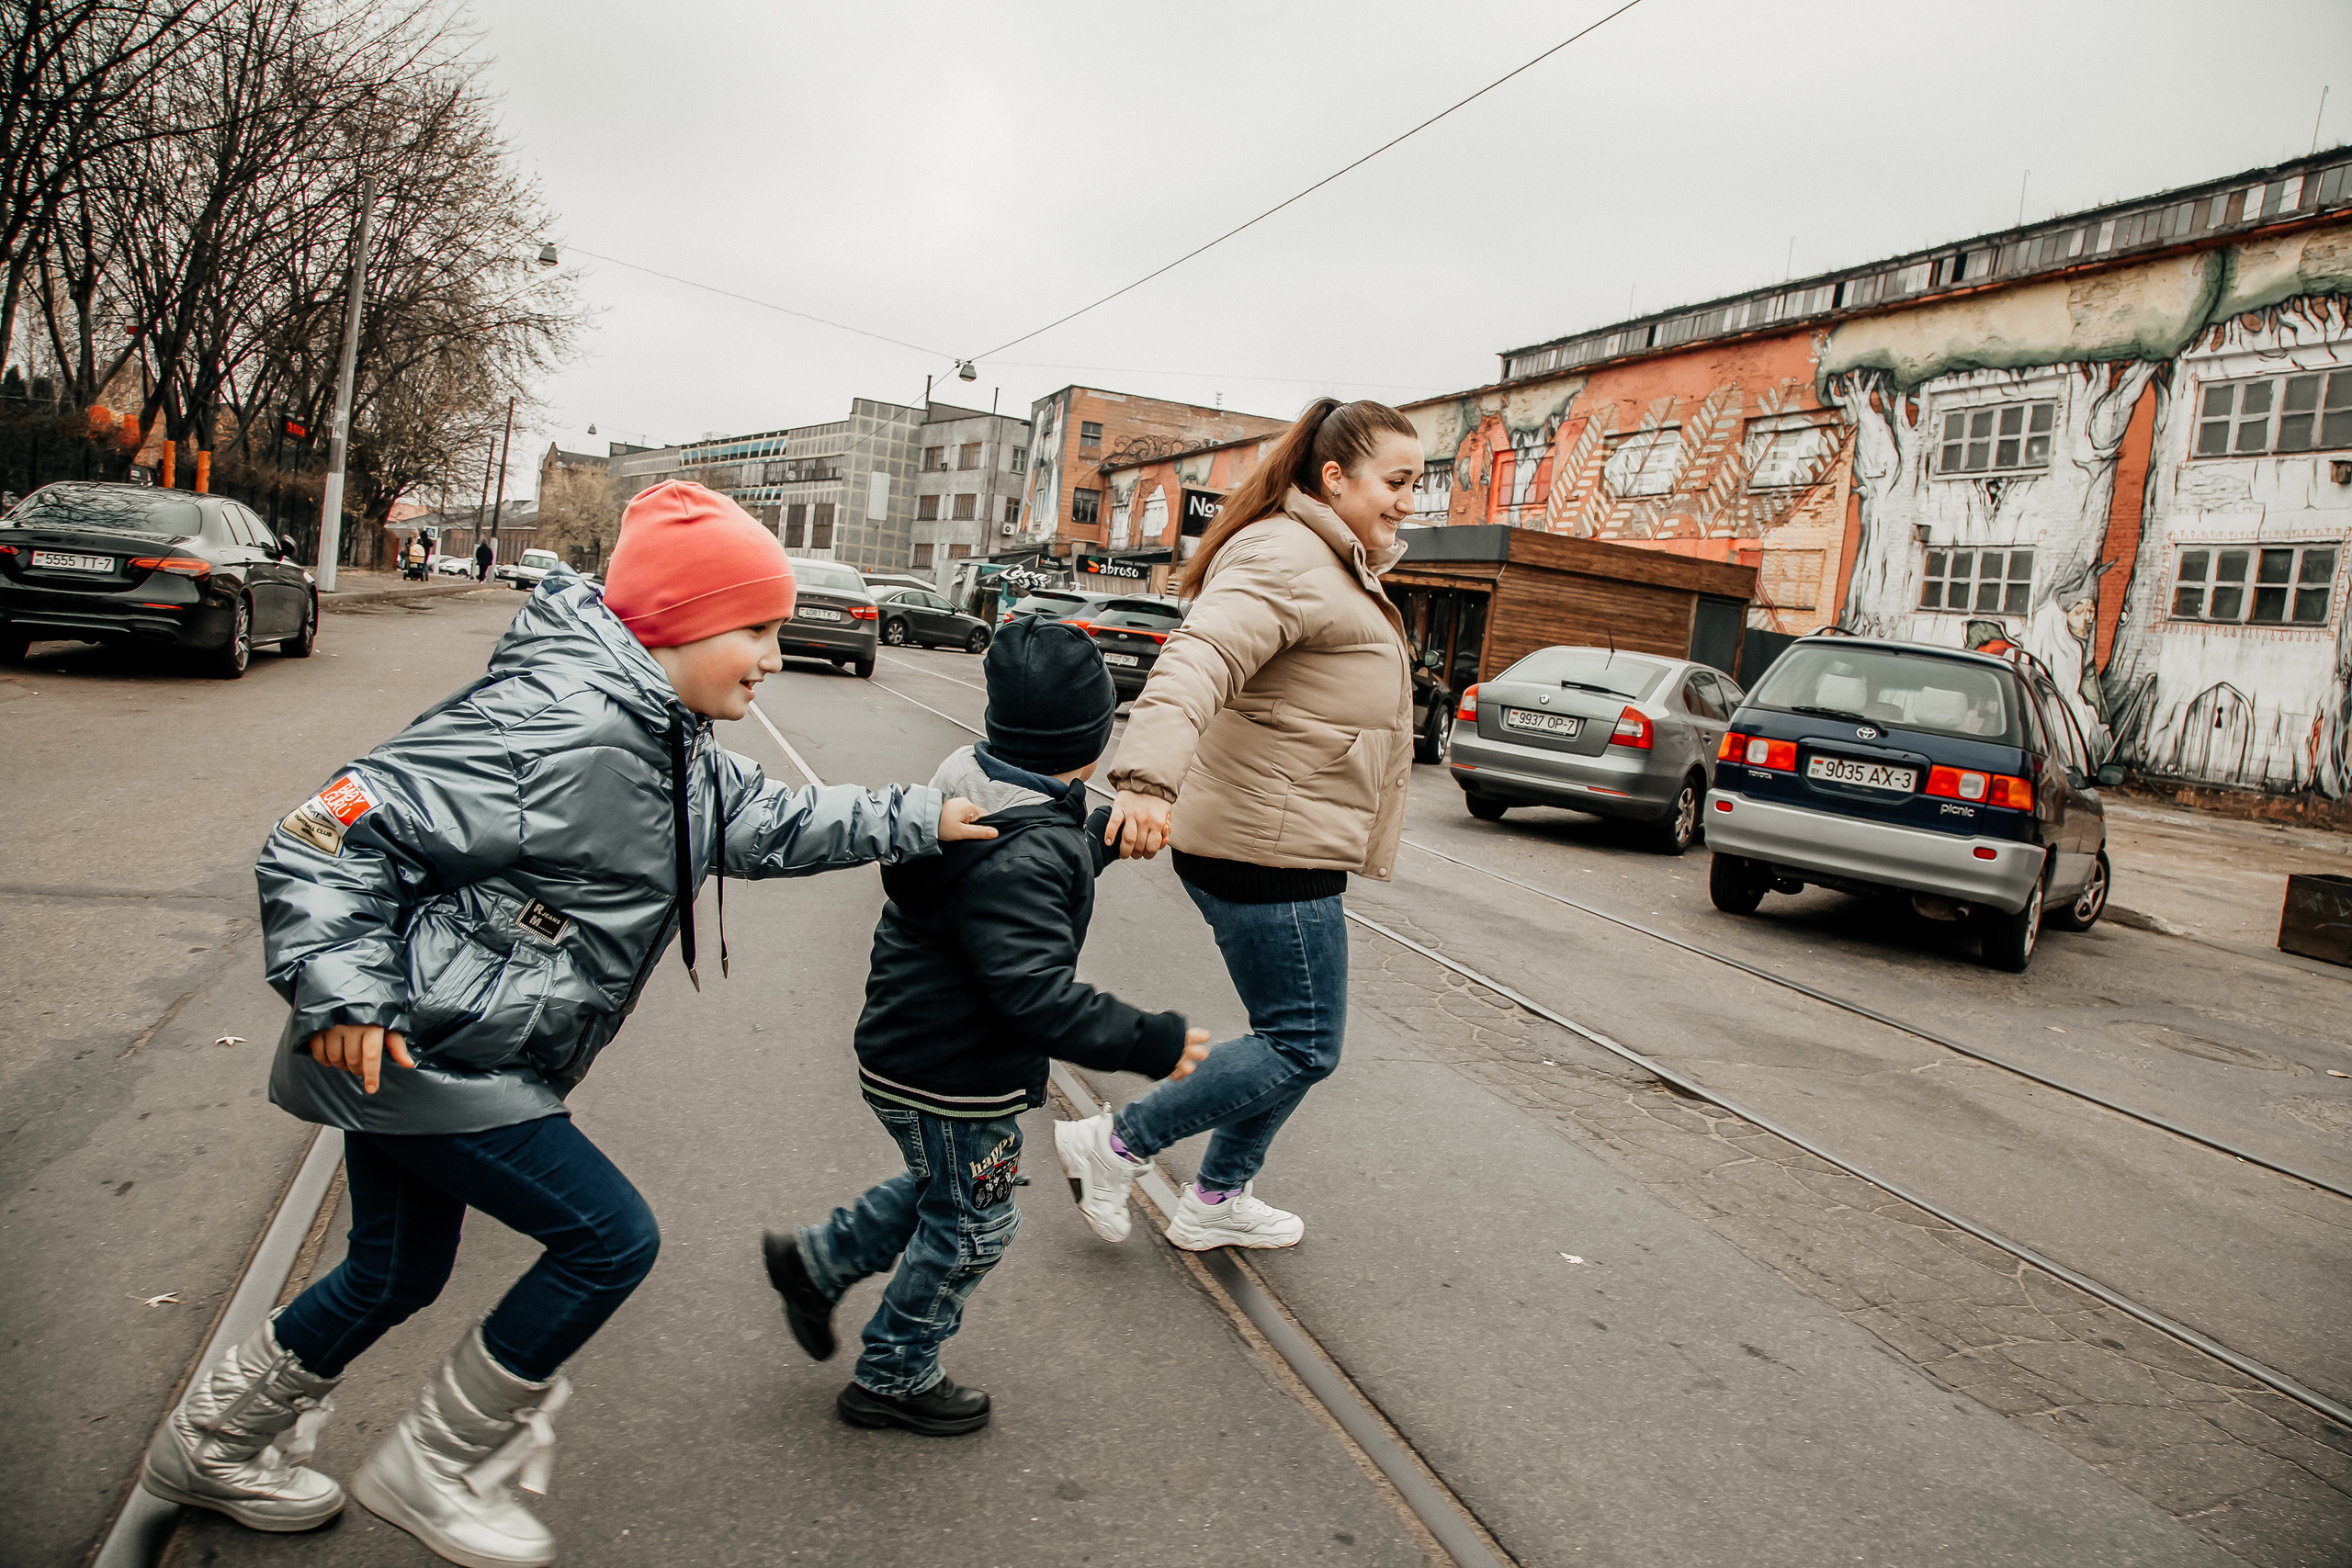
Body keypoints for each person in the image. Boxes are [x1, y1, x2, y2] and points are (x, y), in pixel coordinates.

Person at [141, 480, 999, 1567]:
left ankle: (211, 1444)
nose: (774, 657)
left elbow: (771, 819)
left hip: (451, 1044)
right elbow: (323, 832)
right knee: (606, 1240)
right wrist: (345, 991)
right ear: (676, 625)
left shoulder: (666, 738)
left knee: (392, 1273)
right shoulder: (547, 725)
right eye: (755, 630)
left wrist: (917, 816)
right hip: (431, 1048)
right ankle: (437, 1463)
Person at [763, 618, 1209, 1435]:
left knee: (945, 1185)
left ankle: (820, 1262)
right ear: (1091, 743)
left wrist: (1098, 843)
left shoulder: (979, 785)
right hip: (954, 1068)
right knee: (975, 1221)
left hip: (917, 1048)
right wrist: (1150, 1039)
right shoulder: (1029, 853)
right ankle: (894, 1373)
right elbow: (1035, 993)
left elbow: (1023, 863)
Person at [1057, 399, 1420, 1252]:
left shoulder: (1329, 559)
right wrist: (1147, 781)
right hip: (1268, 841)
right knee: (1302, 1043)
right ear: (1336, 477)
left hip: (1283, 828)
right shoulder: (1288, 556)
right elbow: (1200, 659)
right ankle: (1118, 1144)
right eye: (1397, 481)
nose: (1409, 501)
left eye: (1417, 484)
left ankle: (1218, 1196)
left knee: (1290, 1037)